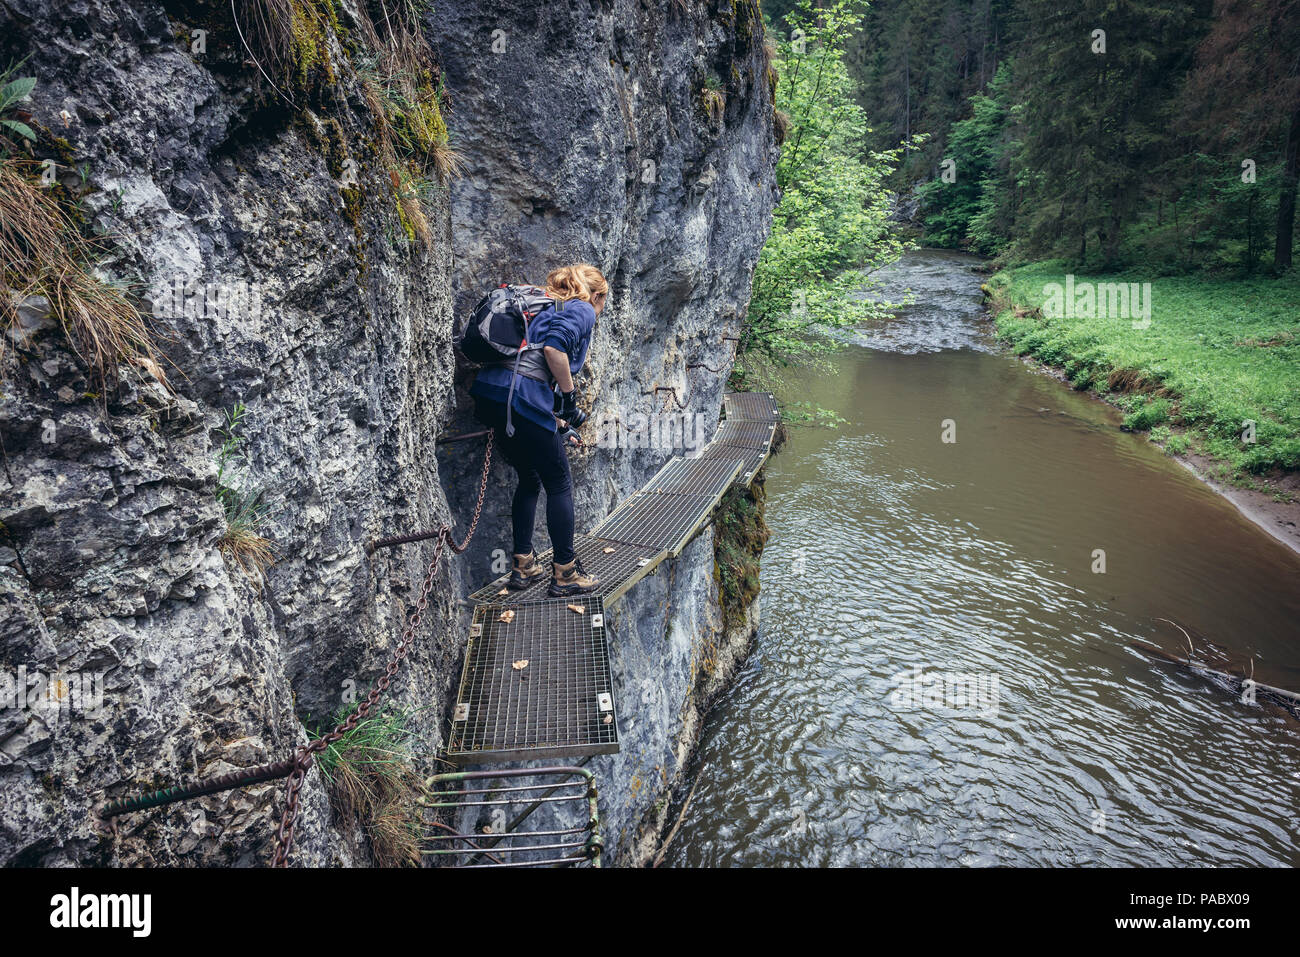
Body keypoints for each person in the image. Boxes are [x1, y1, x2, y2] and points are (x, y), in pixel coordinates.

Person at [470, 263, 607, 597]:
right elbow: (553, 350)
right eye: (604, 302)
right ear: (597, 295)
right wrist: (570, 401)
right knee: (559, 482)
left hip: (492, 395)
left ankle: (523, 565)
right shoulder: (582, 309)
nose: (602, 310)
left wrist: (558, 424)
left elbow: (529, 365)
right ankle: (565, 573)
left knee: (529, 479)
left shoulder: (543, 304)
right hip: (521, 400)